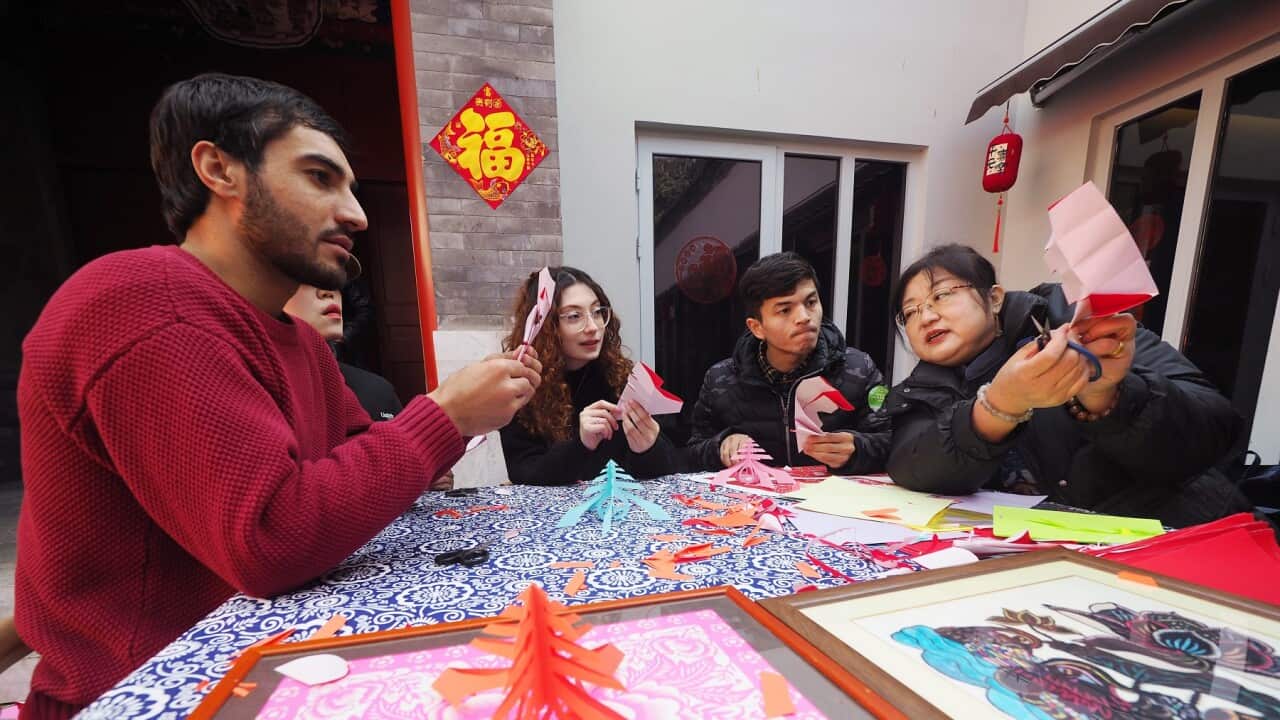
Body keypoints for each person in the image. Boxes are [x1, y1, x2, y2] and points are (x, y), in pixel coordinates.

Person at [15, 73, 540, 718]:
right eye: (320, 178)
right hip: (155, 692)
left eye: (349, 185)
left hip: (272, 665)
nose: (356, 213)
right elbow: (270, 539)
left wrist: (459, 417)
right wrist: (444, 414)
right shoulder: (146, 302)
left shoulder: (293, 337)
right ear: (218, 169)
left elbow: (361, 467)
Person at [883, 243, 1249, 526]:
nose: (926, 316)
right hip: (1042, 564)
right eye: (910, 312)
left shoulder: (1076, 326)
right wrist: (996, 406)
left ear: (994, 298)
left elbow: (1218, 427)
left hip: (1176, 539)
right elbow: (910, 466)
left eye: (942, 295)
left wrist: (1107, 396)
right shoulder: (916, 391)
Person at [687, 252, 891, 473]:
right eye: (785, 310)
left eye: (811, 302)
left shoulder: (858, 368)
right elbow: (693, 451)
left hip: (830, 503)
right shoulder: (721, 380)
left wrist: (857, 449)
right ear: (757, 327)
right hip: (753, 503)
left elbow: (893, 441)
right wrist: (722, 446)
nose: (804, 317)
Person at [499, 267, 679, 485]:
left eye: (597, 312)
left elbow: (667, 471)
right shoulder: (520, 386)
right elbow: (523, 474)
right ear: (546, 326)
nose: (593, 327)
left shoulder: (619, 377)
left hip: (620, 512)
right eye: (574, 316)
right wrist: (581, 445)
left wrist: (649, 448)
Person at [284, 283, 401, 422]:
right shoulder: (262, 390)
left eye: (336, 282)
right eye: (307, 279)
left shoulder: (378, 391)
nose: (329, 292)